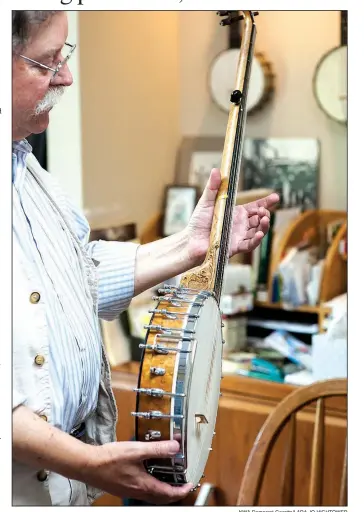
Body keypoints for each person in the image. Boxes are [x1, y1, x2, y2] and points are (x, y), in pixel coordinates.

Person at [12, 10, 280, 507]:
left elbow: (77, 279)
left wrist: (190, 245)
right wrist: (91, 461)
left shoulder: (30, 174)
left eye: (63, 56)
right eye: (47, 62)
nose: (66, 76)